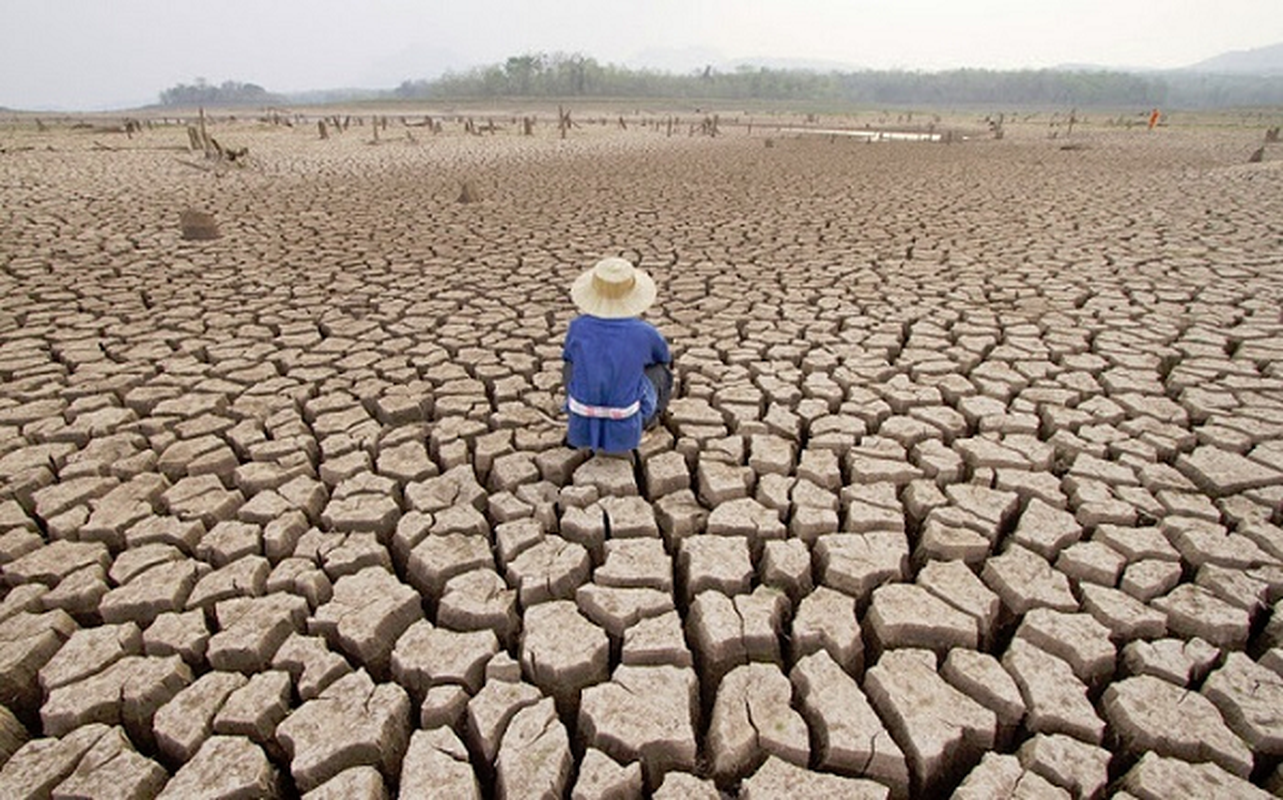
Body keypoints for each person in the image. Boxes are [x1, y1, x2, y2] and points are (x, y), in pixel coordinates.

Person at [562, 257, 672, 455]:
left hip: (581, 421)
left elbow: (569, 356)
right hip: (626, 424)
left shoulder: (577, 327)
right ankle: (646, 425)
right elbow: (662, 357)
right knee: (660, 371)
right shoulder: (643, 332)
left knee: (571, 364)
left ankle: (578, 417)